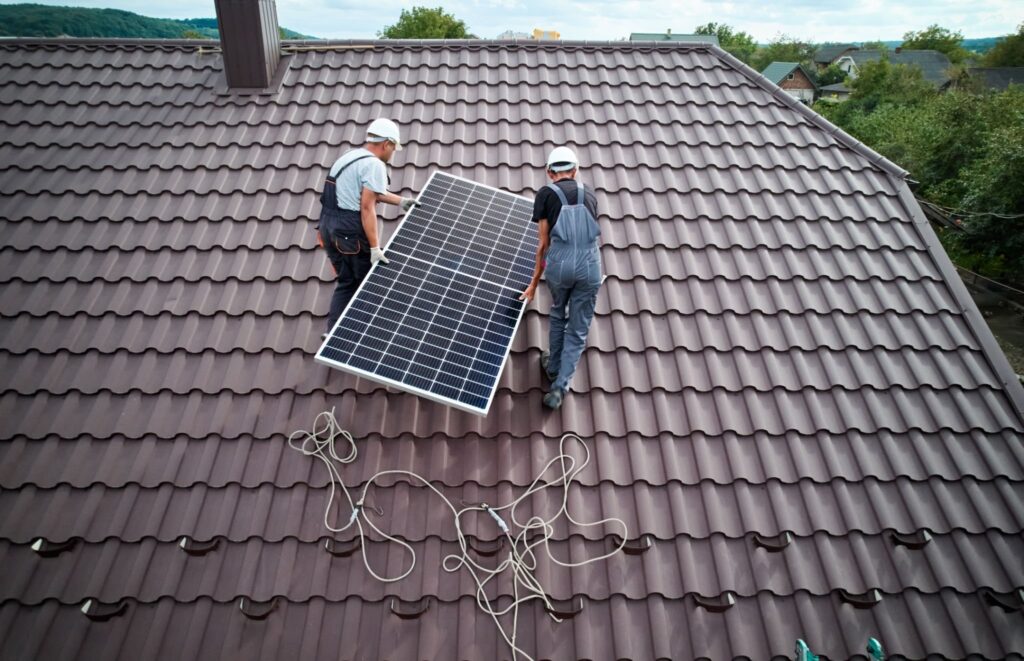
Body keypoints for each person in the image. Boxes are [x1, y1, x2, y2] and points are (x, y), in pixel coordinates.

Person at [318, 118, 418, 336]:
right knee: (369, 282)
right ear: (387, 144)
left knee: (347, 280)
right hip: (348, 230)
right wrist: (374, 247)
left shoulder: (350, 157)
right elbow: (367, 206)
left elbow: (370, 191)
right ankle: (367, 338)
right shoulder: (374, 164)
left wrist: (401, 201)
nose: (393, 153)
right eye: (393, 148)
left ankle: (333, 331)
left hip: (327, 227)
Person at [519, 146, 602, 410]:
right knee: (578, 329)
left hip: (560, 264)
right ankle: (559, 388)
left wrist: (533, 284)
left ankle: (553, 366)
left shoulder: (545, 194)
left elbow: (542, 245)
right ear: (575, 171)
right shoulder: (589, 192)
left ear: (549, 173)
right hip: (590, 265)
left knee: (558, 313)